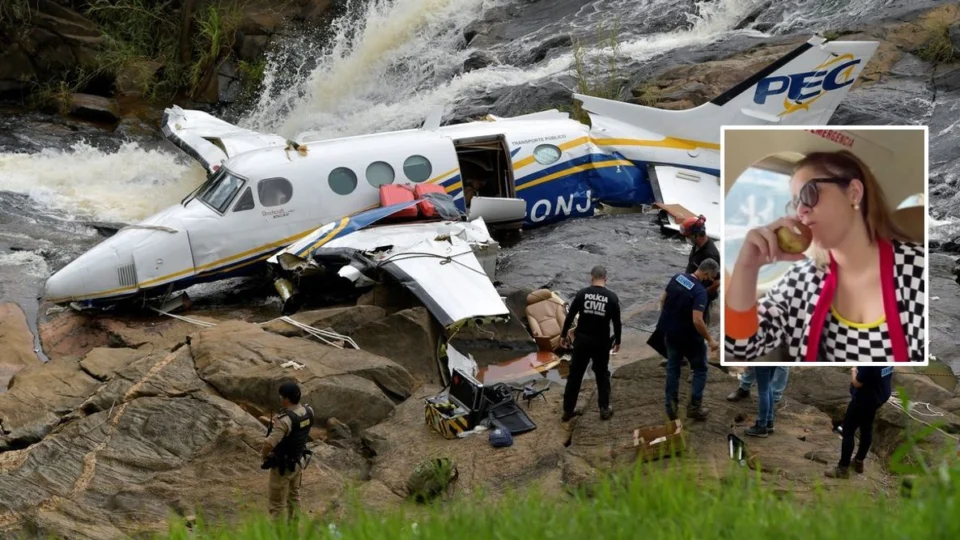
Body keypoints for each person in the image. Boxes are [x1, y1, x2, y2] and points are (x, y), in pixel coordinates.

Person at [725, 150, 925, 363]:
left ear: (854, 193)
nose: (801, 210)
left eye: (809, 194)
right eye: (795, 203)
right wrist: (747, 267)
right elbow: (740, 348)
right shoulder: (802, 280)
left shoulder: (919, 269)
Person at [657, 258, 721, 421]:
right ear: (706, 274)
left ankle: (670, 408)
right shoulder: (700, 292)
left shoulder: (677, 277)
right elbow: (697, 320)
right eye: (711, 277)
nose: (711, 281)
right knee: (700, 369)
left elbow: (663, 299)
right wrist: (710, 340)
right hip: (690, 338)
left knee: (673, 368)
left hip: (670, 333)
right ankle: (694, 407)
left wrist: (668, 320)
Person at [559, 265, 622, 422]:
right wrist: (618, 341)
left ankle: (568, 411)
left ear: (592, 277)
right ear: (605, 278)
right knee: (602, 375)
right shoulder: (612, 297)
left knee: (575, 375)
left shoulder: (582, 294)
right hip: (601, 343)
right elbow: (617, 322)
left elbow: (570, 315)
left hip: (582, 341)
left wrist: (563, 335)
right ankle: (604, 409)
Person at [825, 366, 893, 478]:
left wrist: (853, 371)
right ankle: (859, 461)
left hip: (863, 399)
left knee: (848, 431)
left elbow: (857, 383)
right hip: (877, 398)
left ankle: (843, 468)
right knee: (866, 429)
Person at [261, 381, 315, 519]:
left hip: (283, 467)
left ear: (286, 399)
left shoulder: (285, 420)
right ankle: (293, 531)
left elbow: (269, 443)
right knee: (294, 497)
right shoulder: (309, 411)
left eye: (281, 396)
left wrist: (264, 456)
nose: (280, 398)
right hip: (298, 461)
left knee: (277, 505)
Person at [680, 215, 721, 325]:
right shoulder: (697, 245)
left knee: (698, 323)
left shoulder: (710, 255)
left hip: (701, 297)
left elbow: (716, 282)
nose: (687, 239)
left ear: (697, 235)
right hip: (691, 291)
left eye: (688, 236)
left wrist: (700, 295)